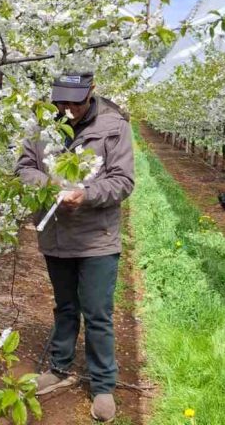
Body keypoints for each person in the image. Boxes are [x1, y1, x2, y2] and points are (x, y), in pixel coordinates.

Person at [14, 71, 135, 423]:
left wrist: (87, 195)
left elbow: (123, 181)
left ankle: (102, 385)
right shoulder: (40, 126)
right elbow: (24, 168)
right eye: (61, 102)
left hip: (97, 236)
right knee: (65, 307)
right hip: (56, 235)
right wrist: (49, 185)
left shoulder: (114, 125)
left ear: (91, 93)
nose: (67, 110)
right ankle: (59, 368)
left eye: (75, 102)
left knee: (97, 311)